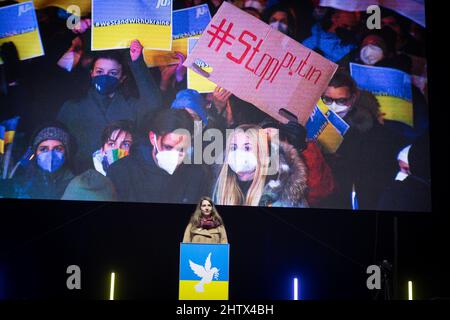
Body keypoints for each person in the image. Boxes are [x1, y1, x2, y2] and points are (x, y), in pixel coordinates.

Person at [57, 39, 162, 174]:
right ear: (92, 74)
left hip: (125, 177)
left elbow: (153, 104)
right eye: (100, 71)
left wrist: (137, 62)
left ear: (122, 78)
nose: (105, 77)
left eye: (113, 73)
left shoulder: (131, 106)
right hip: (84, 181)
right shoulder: (71, 108)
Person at [320, 71, 405, 210]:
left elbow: (376, 176)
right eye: (327, 100)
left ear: (353, 98)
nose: (334, 107)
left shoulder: (370, 129)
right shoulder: (315, 121)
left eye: (341, 101)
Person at [107, 108, 210, 203]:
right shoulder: (120, 172)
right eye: (168, 147)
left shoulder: (196, 177)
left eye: (181, 149)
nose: (175, 156)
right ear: (153, 138)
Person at [213, 124, 308, 207]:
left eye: (247, 148)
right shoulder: (222, 188)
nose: (238, 154)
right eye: (233, 147)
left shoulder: (283, 197)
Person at [2, 122, 74, 199]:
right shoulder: (21, 184)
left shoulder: (75, 184)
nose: (51, 155)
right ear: (35, 154)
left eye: (58, 149)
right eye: (43, 149)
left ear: (67, 153)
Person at [378, 133, 431, 212]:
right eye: (399, 168)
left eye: (406, 169)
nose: (401, 174)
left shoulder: (421, 193)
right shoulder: (392, 190)